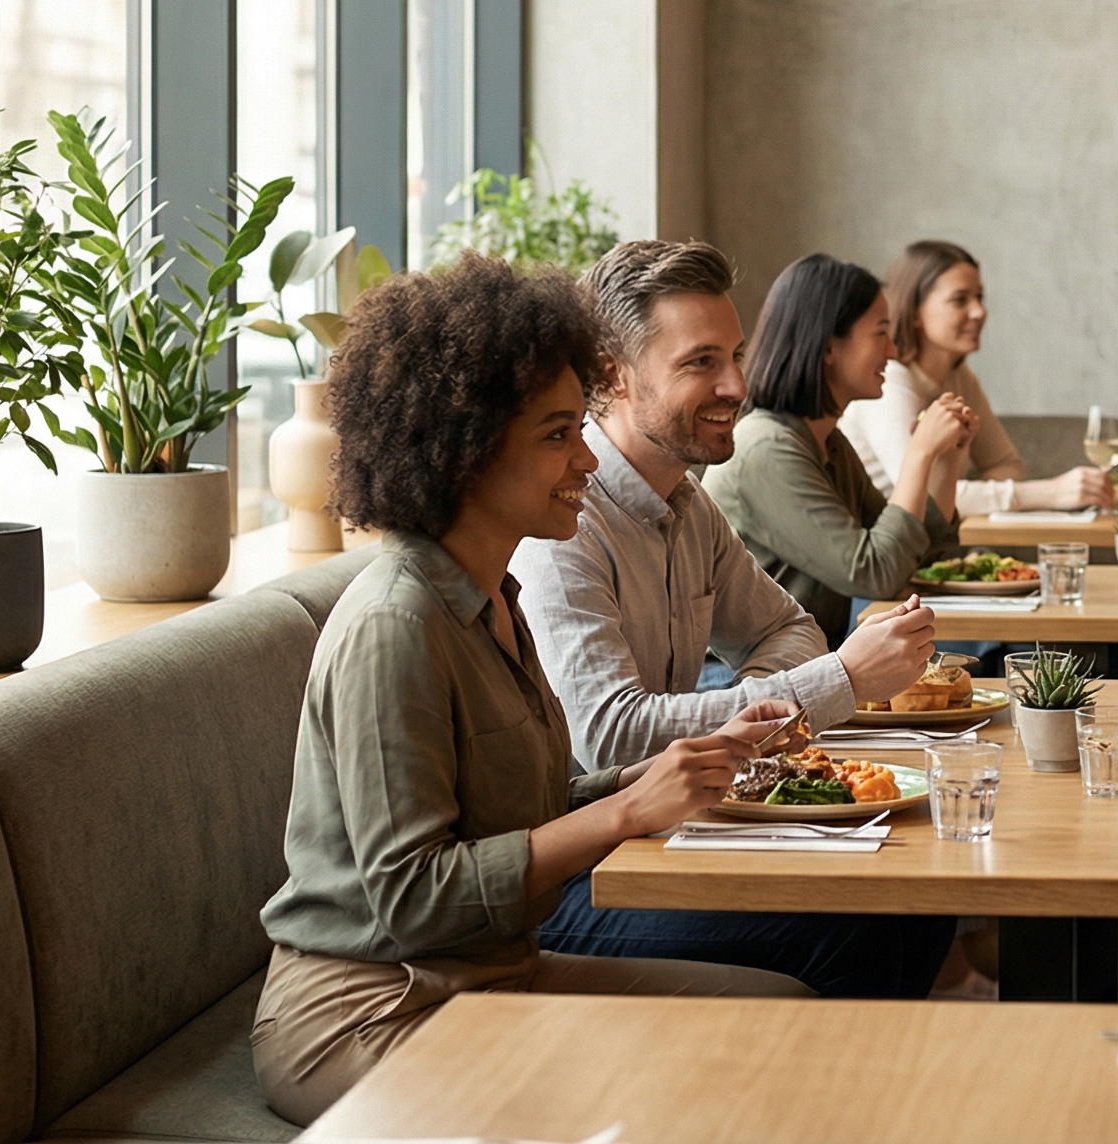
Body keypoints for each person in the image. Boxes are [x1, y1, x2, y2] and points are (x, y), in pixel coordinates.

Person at [250, 255, 807, 1126]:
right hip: (371, 1013)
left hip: (492, 975)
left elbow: (530, 802)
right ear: (465, 451)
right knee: (700, 1077)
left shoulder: (495, 597)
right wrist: (624, 814)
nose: (587, 457)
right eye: (557, 435)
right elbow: (412, 899)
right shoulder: (396, 625)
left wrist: (657, 780)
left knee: (784, 1016)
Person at [513, 238, 956, 996]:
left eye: (737, 356)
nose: (737, 385)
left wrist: (766, 708)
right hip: (566, 878)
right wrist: (837, 682)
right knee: (863, 920)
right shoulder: (565, 522)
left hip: (660, 833)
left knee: (920, 898)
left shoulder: (687, 499)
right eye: (700, 362)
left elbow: (788, 629)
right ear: (613, 375)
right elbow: (607, 738)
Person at [704, 253, 967, 646]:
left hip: (802, 671)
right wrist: (920, 453)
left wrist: (947, 456)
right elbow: (875, 574)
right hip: (739, 686)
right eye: (881, 332)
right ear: (829, 346)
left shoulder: (829, 443)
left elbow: (919, 558)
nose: (893, 351)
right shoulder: (766, 448)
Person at [840, 239, 1112, 515]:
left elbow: (1007, 465)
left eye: (979, 297)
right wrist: (1052, 493)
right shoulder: (887, 380)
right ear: (914, 312)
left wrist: (970, 497)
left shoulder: (958, 377)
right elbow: (921, 498)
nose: (979, 312)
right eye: (960, 300)